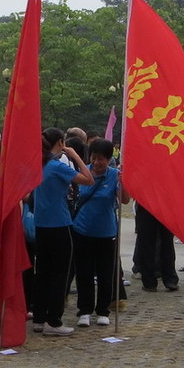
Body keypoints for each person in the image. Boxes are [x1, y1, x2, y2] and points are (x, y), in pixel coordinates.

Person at [32, 128, 93, 336]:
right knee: (60, 274)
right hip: (59, 224)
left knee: (42, 273)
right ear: (60, 142)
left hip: (40, 225)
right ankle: (54, 321)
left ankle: (39, 317)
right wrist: (75, 156)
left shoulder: (38, 165)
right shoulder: (57, 166)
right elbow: (88, 179)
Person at [72, 139, 129, 327]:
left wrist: (124, 182)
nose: (96, 163)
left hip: (106, 232)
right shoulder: (83, 171)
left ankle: (103, 310)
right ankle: (85, 310)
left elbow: (125, 200)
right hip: (82, 229)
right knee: (84, 273)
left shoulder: (114, 175)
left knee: (106, 274)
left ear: (108, 158)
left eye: (101, 159)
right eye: (94, 158)